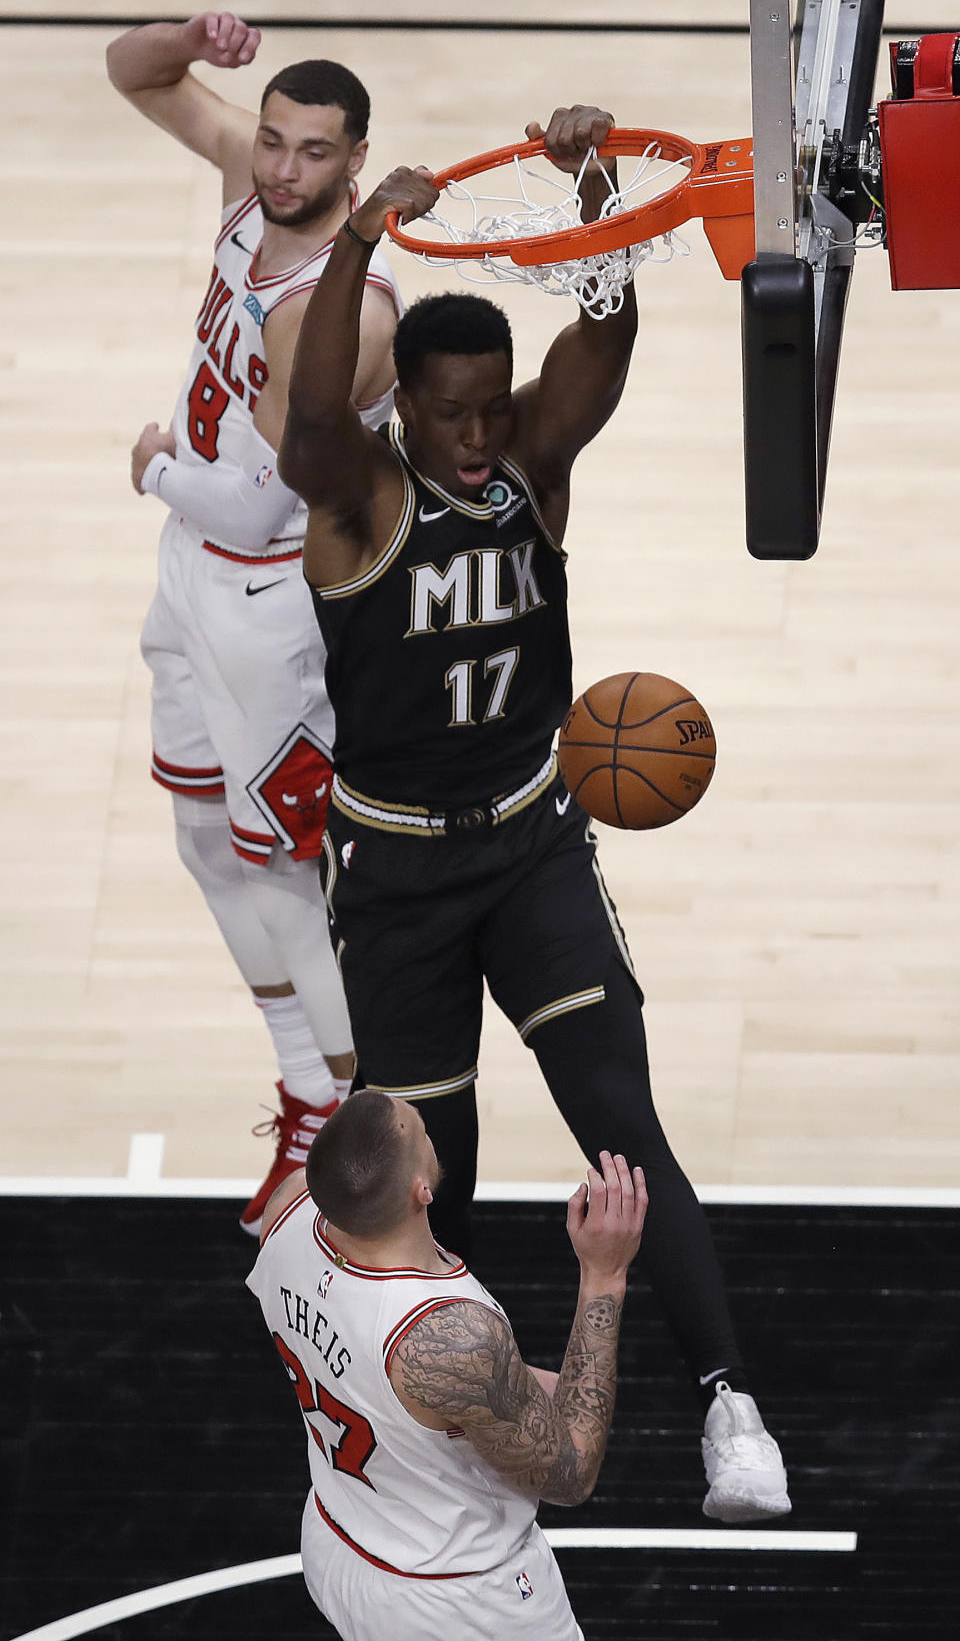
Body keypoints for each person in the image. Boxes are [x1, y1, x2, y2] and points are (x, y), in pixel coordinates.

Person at [277, 103, 792, 1523]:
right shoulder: (361, 496)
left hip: (532, 840)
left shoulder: (530, 472)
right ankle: (474, 1410)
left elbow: (605, 340)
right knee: (439, 1173)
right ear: (407, 410)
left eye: (492, 406)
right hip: (393, 876)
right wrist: (359, 238)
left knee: (620, 1120)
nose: (478, 432)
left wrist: (594, 185)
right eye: (452, 411)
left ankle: (727, 1406)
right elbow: (314, 416)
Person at [105, 12, 402, 1232]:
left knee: (280, 867)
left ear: (358, 158)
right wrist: (186, 33)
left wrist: (152, 470)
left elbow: (270, 491)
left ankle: (362, 1121)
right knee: (200, 840)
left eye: (312, 153)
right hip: (194, 571)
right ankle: (301, 1084)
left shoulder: (346, 310)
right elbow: (132, 75)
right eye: (273, 140)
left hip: (265, 597)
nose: (281, 168)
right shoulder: (251, 183)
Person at [247, 1089, 647, 1639]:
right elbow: (570, 1473)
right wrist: (605, 1274)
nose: (426, 1124)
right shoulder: (447, 1338)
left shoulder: (287, 1209)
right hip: (455, 1601)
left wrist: (511, 1388)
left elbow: (383, 1371)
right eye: (421, 1129)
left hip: (338, 1537)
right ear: (422, 1190)